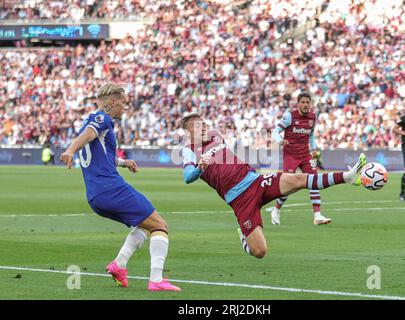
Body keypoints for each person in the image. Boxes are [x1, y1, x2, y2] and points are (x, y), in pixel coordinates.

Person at [180, 112, 366, 259]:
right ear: (189, 132)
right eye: (197, 125)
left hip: (256, 182)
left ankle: (347, 176)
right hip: (239, 200)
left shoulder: (215, 135)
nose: (203, 126)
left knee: (298, 179)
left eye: (203, 122)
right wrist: (199, 167)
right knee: (260, 252)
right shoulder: (188, 151)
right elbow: (187, 177)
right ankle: (245, 238)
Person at [60, 83, 180, 292]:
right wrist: (70, 149)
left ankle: (119, 265)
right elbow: (89, 133)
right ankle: (156, 280)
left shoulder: (93, 123)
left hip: (96, 196)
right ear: (113, 101)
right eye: (124, 102)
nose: (125, 107)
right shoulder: (101, 119)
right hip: (111, 189)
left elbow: (101, 155)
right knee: (160, 225)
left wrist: (124, 162)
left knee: (144, 223)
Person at [270, 92, 331, 226]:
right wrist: (280, 140)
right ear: (298, 104)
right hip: (290, 155)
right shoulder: (289, 116)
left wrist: (313, 149)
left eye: (307, 102)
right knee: (288, 184)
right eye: (302, 102)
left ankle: (317, 215)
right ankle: (276, 209)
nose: (305, 105)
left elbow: (311, 135)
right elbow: (275, 132)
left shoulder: (313, 117)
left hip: (305, 154)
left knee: (314, 181)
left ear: (310, 104)